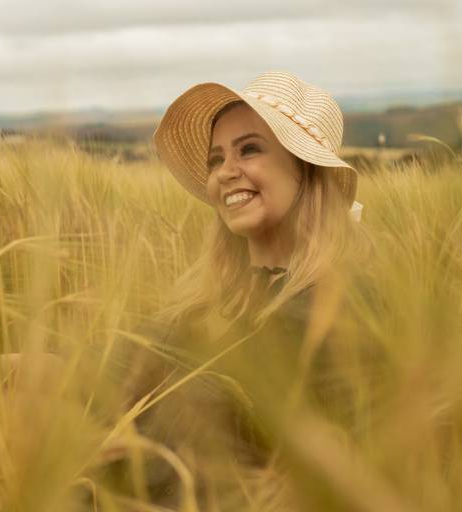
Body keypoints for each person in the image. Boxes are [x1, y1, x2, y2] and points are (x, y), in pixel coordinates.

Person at [109, 71, 379, 508]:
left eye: (249, 149)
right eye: (216, 159)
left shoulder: (341, 304)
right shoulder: (208, 302)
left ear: (303, 168)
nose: (226, 173)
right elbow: (123, 359)